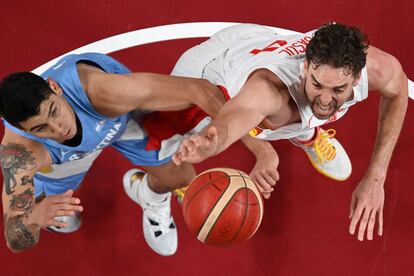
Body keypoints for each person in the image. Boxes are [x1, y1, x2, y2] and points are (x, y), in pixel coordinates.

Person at [0, 52, 278, 255]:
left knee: (182, 177)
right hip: (60, 158)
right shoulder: (21, 154)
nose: (58, 128)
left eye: (53, 111)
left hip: (116, 122)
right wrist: (33, 219)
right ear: (22, 129)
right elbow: (14, 236)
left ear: (56, 88)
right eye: (40, 128)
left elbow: (200, 91)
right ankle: (50, 208)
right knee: (57, 216)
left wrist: (262, 150)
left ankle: (149, 195)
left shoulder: (102, 91)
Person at [173, 23, 409, 242]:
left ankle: (306, 134)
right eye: (317, 85)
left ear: (358, 77)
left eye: (338, 89)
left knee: (296, 113)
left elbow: (398, 90)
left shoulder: (376, 67)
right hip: (207, 71)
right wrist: (212, 142)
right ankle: (155, 191)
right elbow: (237, 115)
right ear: (305, 67)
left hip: (255, 41)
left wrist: (376, 178)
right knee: (163, 150)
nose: (326, 99)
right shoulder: (269, 91)